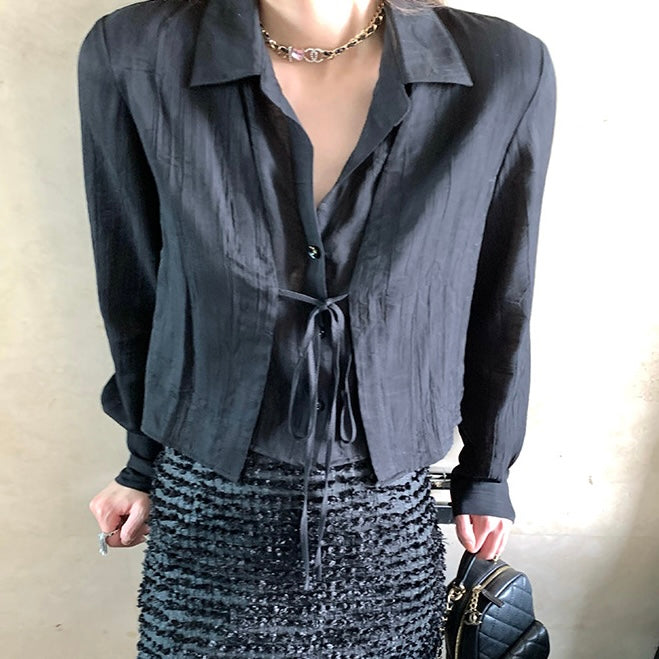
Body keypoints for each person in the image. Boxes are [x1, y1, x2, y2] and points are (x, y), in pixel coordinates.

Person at [77, 0, 556, 656]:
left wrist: (487, 471)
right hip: (206, 508)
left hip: (386, 520)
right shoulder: (134, 53)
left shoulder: (502, 69)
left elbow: (504, 291)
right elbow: (131, 279)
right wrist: (142, 461)